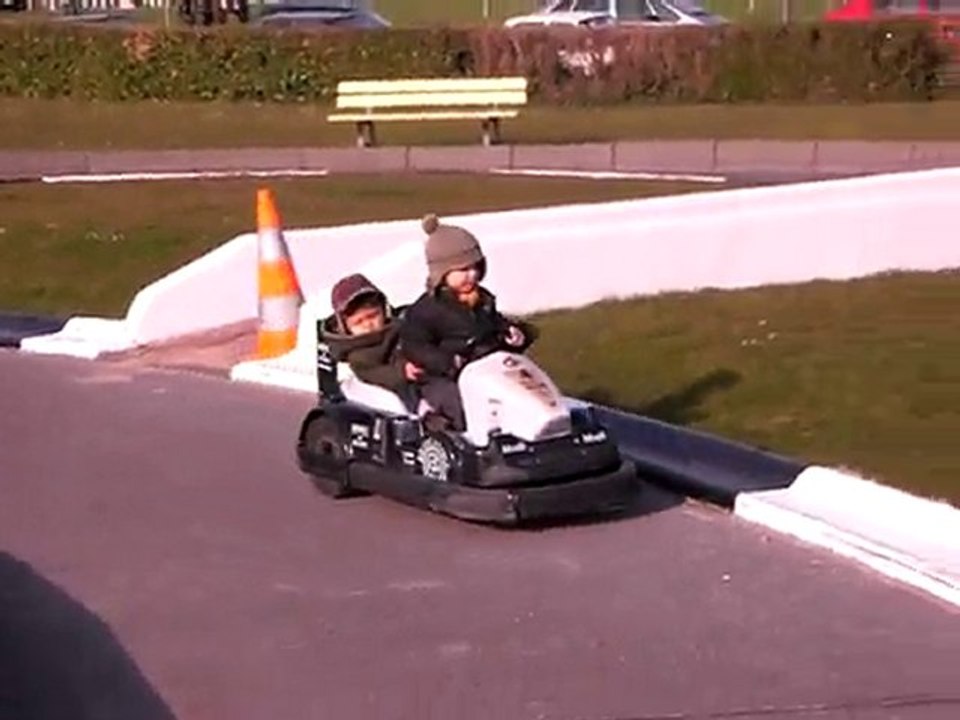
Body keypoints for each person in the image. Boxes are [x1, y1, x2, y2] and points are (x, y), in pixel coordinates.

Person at [399, 213, 536, 431]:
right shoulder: (427, 310)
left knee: (524, 388)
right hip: (444, 377)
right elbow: (415, 346)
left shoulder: (482, 300)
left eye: (475, 267)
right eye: (462, 270)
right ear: (441, 273)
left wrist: (515, 335)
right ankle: (439, 422)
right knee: (460, 405)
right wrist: (448, 362)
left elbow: (496, 325)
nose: (471, 275)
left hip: (484, 370)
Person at [320, 273, 422, 409]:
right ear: (346, 328)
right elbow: (374, 374)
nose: (368, 324)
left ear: (384, 311)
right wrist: (402, 371)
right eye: (358, 322)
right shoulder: (358, 354)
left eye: (373, 316)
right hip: (391, 391)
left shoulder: (399, 328)